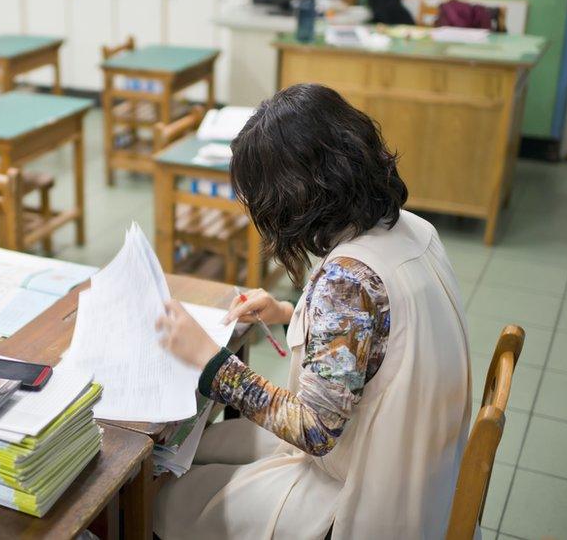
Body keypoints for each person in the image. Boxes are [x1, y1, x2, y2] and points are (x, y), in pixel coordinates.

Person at [154, 83, 472, 538]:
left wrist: (212, 362)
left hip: (366, 497)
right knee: (198, 449)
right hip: (421, 469)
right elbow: (380, 334)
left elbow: (314, 430)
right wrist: (291, 312)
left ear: (294, 198)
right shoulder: (413, 229)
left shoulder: (348, 284)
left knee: (166, 496)